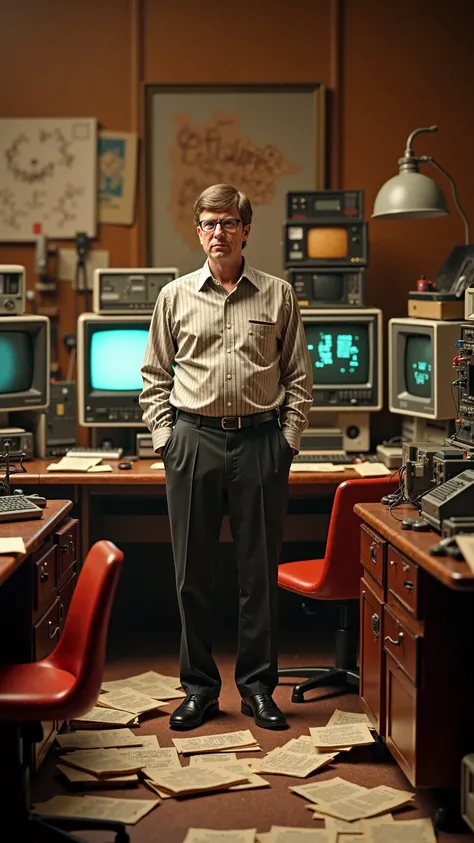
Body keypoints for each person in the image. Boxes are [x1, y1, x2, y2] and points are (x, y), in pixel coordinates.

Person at [140, 183, 313, 731]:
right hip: (193, 441)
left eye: (228, 223)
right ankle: (199, 689)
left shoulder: (278, 295)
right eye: (209, 224)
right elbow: (154, 379)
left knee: (255, 575)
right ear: (199, 232)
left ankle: (259, 689)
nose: (218, 233)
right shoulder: (174, 297)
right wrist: (167, 440)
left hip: (261, 442)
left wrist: (287, 442)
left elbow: (299, 380)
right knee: (193, 574)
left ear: (245, 230)